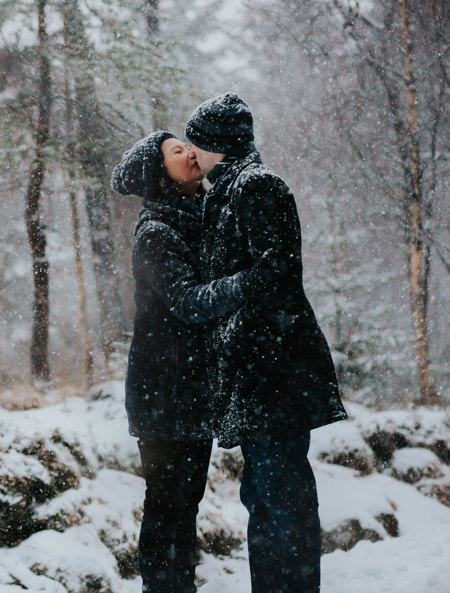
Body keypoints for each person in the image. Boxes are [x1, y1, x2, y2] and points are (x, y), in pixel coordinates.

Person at [184, 92, 348, 593]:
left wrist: (218, 311)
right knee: (262, 497)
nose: (192, 152)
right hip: (256, 375)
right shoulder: (226, 192)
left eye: (197, 142)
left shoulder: (258, 187)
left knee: (285, 501)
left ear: (218, 144)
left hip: (275, 373)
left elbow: (278, 271)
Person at [111, 131, 274, 593]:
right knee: (169, 509)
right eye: (174, 151)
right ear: (160, 175)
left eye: (186, 144)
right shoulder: (157, 233)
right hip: (163, 395)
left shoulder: (196, 217)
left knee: (183, 506)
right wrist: (251, 280)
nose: (188, 151)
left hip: (189, 392)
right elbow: (189, 302)